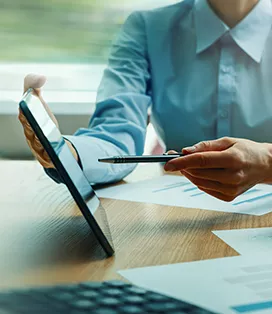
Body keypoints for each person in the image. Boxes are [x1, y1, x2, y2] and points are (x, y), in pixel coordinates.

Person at [19, 0, 272, 202]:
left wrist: (267, 162)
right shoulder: (146, 28)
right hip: (179, 219)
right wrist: (65, 154)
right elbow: (116, 134)